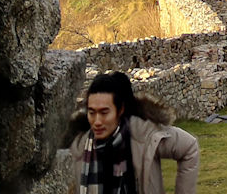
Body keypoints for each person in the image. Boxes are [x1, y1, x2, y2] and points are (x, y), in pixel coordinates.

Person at [67, 70, 199, 194]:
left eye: (104, 112)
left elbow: (188, 146)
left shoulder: (145, 134)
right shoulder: (77, 146)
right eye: (92, 112)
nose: (97, 121)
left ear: (120, 111)